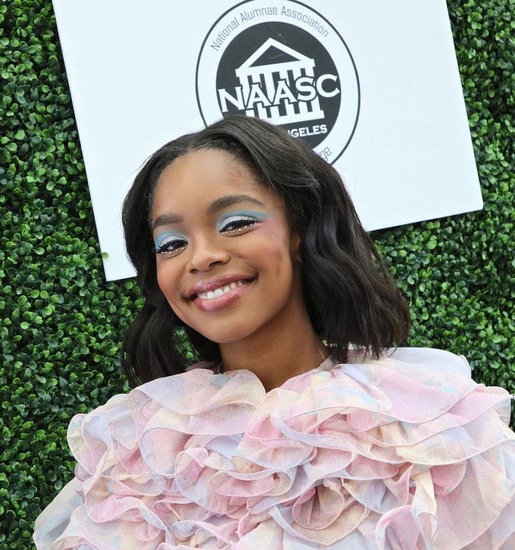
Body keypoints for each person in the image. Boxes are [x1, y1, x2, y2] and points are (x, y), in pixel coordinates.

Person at [34, 115, 515, 549]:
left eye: (236, 223)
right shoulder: (136, 458)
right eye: (172, 243)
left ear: (300, 228)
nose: (201, 256)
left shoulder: (426, 428)